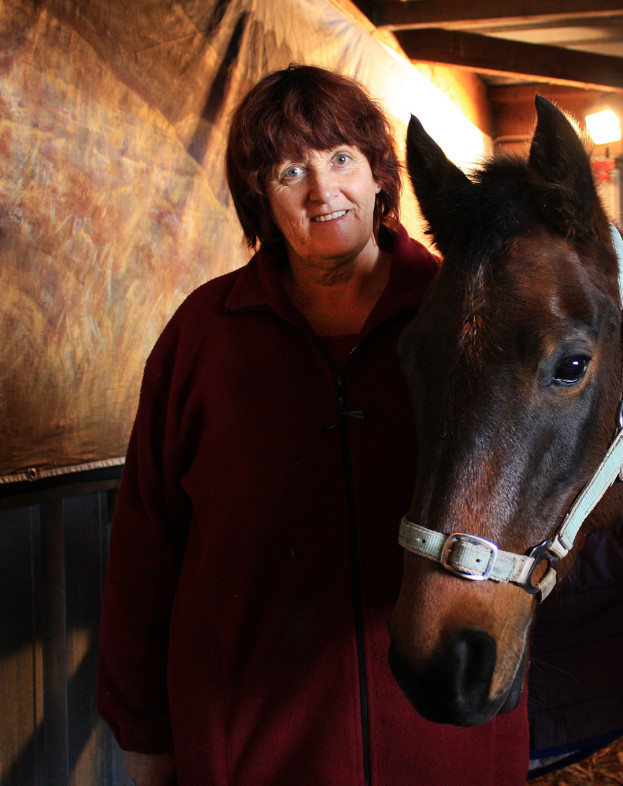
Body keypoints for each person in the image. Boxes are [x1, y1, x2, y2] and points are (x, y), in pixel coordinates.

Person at [97, 65, 529, 786]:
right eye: (290, 170)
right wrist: (143, 732)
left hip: (444, 733)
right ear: (261, 199)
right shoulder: (203, 336)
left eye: (340, 159)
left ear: (380, 176)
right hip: (250, 735)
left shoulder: (466, 317)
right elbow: (146, 547)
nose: (322, 191)